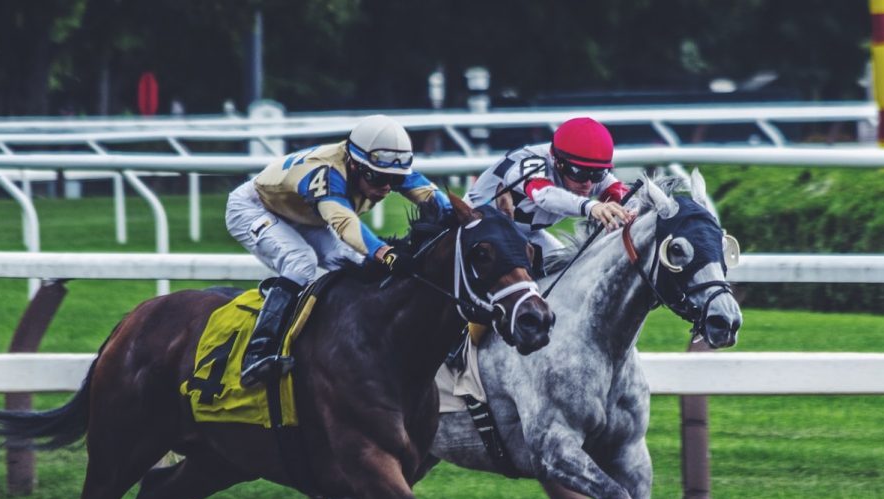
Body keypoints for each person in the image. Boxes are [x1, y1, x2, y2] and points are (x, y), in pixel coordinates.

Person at [226, 114, 452, 386]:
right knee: (301, 261)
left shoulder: (379, 165)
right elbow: (345, 223)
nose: (385, 188)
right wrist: (386, 253)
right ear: (355, 165)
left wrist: (467, 217)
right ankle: (259, 351)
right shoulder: (328, 173)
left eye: (394, 180)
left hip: (306, 214)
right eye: (378, 178)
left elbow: (431, 195)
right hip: (254, 207)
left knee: (354, 263)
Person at [464, 116, 633, 262]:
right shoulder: (532, 162)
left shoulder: (586, 173)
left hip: (527, 234)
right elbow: (544, 195)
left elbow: (622, 195)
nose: (588, 183)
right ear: (558, 162)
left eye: (598, 174)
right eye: (580, 173)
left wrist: (630, 212)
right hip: (476, 227)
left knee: (571, 272)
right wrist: (590, 206)